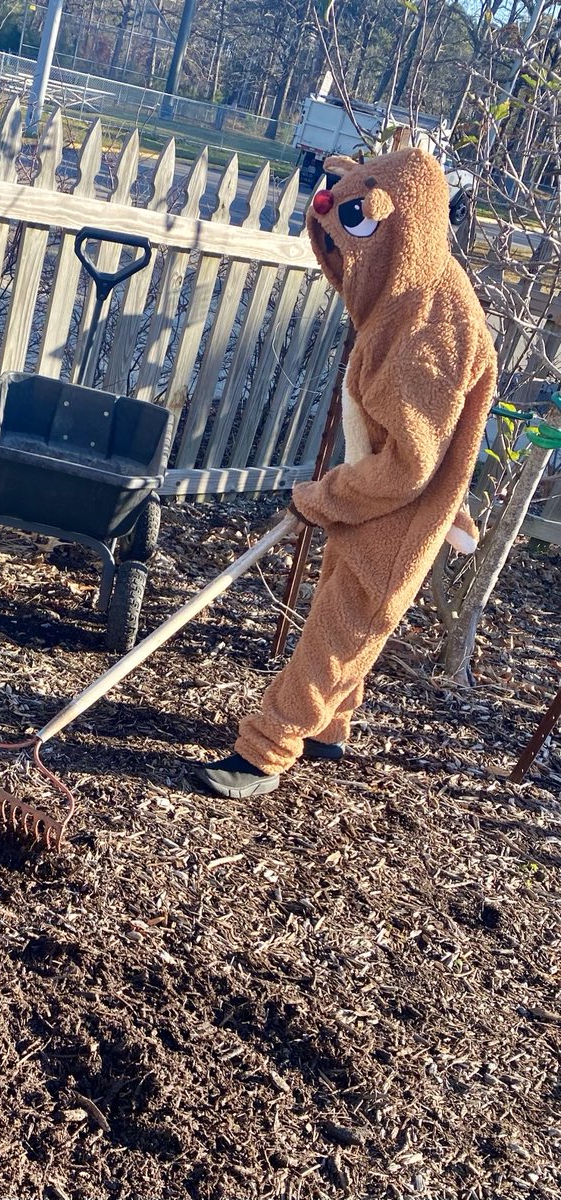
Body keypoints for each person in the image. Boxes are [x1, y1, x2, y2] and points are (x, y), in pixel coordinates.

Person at [196, 147, 497, 800]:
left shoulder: (428, 326)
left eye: (346, 248)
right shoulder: (408, 293)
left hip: (397, 511)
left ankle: (264, 752)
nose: (338, 267)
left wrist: (325, 497)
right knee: (344, 611)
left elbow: (412, 464)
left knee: (339, 633)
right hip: (378, 497)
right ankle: (329, 732)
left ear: (395, 229)